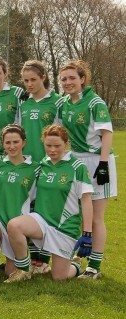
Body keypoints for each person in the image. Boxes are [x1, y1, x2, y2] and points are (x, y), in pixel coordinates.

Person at [6, 124, 93, 282]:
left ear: (66, 144)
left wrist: (87, 234)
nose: (52, 150)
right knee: (14, 225)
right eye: (48, 146)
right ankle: (24, 269)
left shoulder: (77, 167)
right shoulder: (43, 164)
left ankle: (76, 264)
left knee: (59, 277)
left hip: (64, 228)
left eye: (57, 146)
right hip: (42, 222)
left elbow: (86, 201)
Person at [59, 60, 116, 279]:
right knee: (80, 213)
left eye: (72, 78)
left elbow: (107, 134)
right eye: (64, 79)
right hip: (76, 161)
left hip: (97, 161)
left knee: (96, 217)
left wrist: (102, 165)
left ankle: (94, 266)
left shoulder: (95, 102)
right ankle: (78, 258)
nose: (68, 82)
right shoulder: (64, 103)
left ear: (83, 79)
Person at [19, 60, 63, 272]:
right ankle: (32, 255)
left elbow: (62, 134)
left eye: (33, 80)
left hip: (48, 163)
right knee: (29, 209)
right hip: (28, 164)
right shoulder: (24, 103)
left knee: (45, 209)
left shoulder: (56, 102)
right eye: (26, 80)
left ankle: (44, 259)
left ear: (44, 77)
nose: (29, 84)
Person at [0, 125, 40, 281]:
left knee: (11, 272)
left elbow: (37, 198)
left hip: (17, 221)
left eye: (16, 142)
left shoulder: (35, 168)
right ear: (2, 144)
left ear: (24, 142)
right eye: (8, 142)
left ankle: (29, 263)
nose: (12, 146)